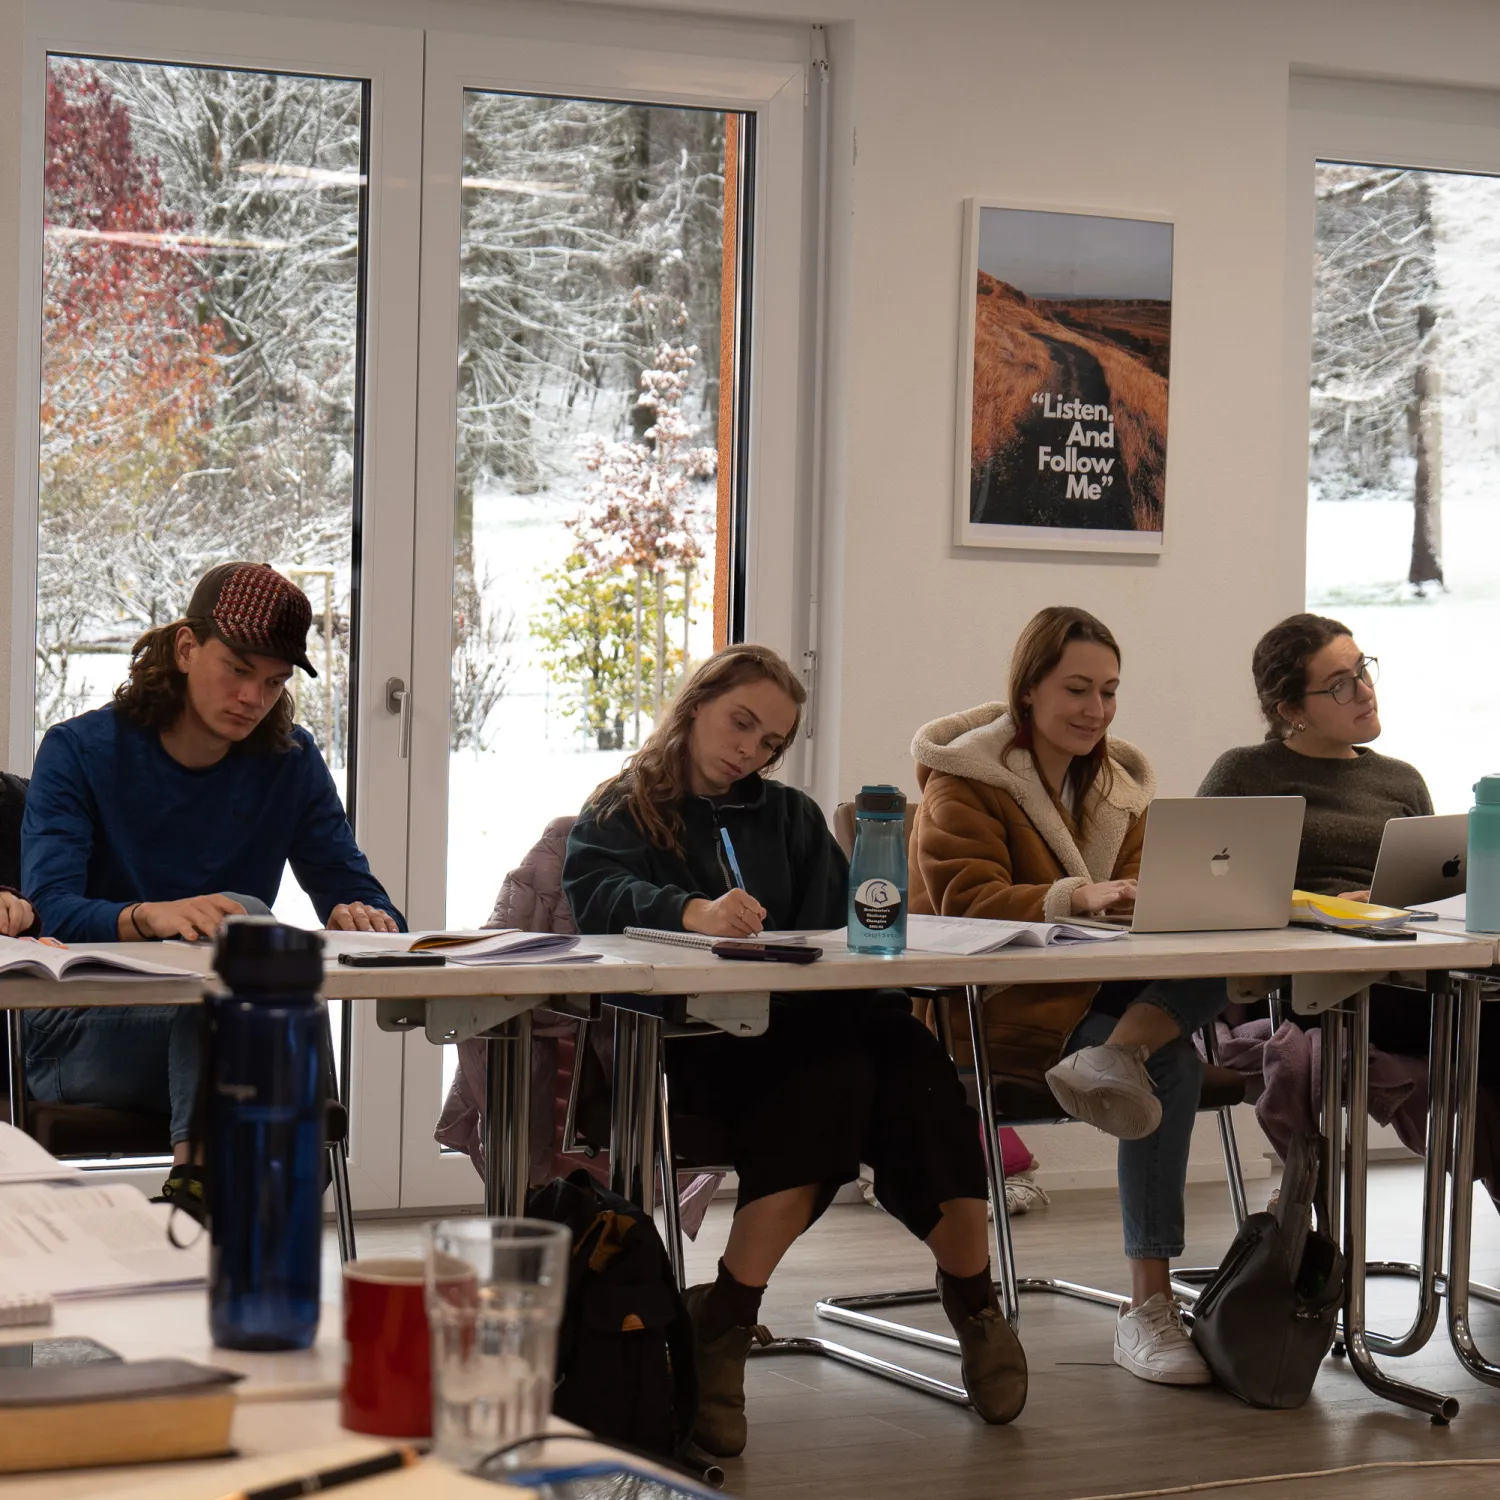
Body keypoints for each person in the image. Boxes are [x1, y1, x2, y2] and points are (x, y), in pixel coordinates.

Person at [562, 643, 1023, 1456]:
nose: (751, 749)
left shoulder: (790, 816)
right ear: (697, 703)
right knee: (839, 1079)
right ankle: (731, 1319)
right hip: (698, 1044)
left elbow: (834, 932)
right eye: (741, 723)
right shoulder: (620, 810)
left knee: (912, 1063)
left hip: (808, 1026)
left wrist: (874, 988)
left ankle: (973, 1301)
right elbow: (600, 898)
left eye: (770, 741)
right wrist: (692, 911)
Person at [909, 606, 1229, 1387]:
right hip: (1000, 1002)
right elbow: (963, 901)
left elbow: (1148, 887)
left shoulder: (1119, 788)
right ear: (1028, 691)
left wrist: (1155, 900)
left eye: (1110, 692)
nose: (1096, 710)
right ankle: (1148, 1308)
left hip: (1101, 989)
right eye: (1078, 689)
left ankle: (1116, 1054)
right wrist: (1076, 897)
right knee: (1174, 1067)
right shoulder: (965, 784)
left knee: (1219, 956)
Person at [21, 562, 403, 1215]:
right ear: (187, 648)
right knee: (248, 970)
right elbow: (49, 908)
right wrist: (151, 917)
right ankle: (248, 1210)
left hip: (228, 1028)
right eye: (238, 669)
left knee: (244, 983)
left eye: (275, 681)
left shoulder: (291, 762)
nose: (254, 697)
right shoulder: (78, 751)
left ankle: (195, 1197)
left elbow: (369, 899)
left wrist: (361, 914)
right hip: (80, 1031)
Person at [1199, 612, 1500, 1090]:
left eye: (1363, 669)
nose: (1364, 690)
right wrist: (1330, 909)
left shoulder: (1402, 779)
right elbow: (1203, 894)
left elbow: (1441, 890)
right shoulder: (1243, 774)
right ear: (1291, 710)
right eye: (1340, 684)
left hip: (1407, 970)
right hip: (1302, 983)